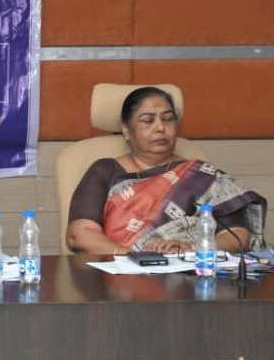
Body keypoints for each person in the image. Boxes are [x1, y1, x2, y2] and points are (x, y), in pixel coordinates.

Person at [66, 86, 266, 255]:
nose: (160, 127)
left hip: (188, 275)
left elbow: (237, 235)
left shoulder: (201, 176)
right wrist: (132, 256)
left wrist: (191, 249)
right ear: (126, 129)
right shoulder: (105, 170)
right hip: (118, 273)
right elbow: (80, 234)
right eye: (148, 120)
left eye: (168, 119)